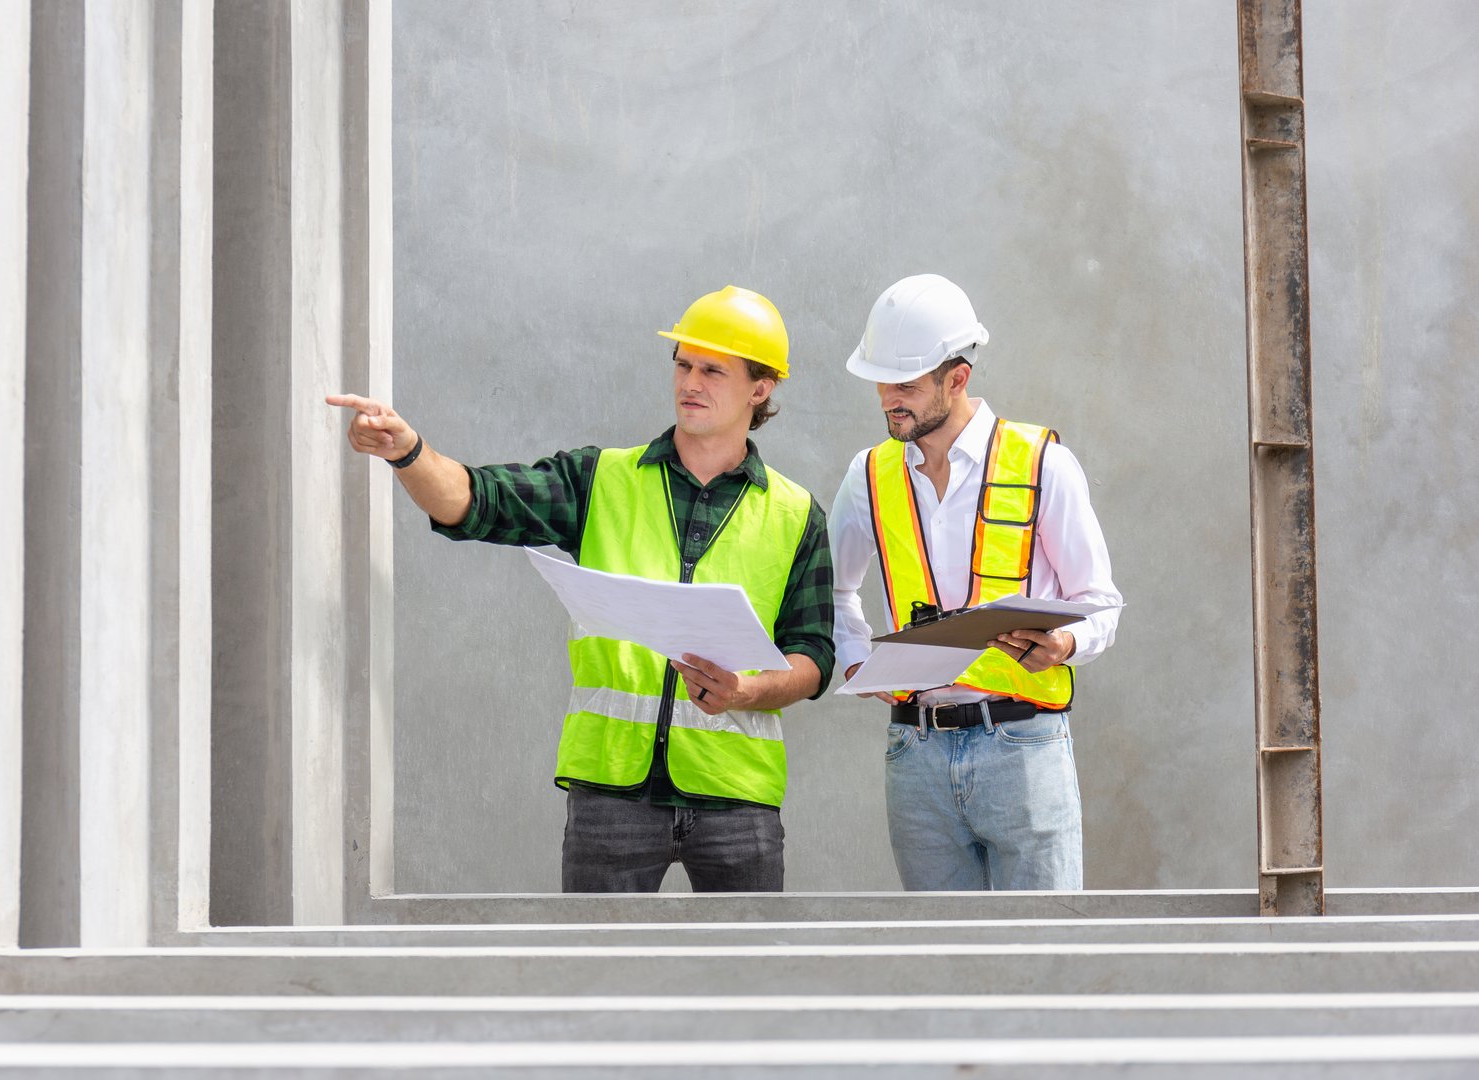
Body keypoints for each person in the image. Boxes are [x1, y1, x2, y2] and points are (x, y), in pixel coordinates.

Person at [328, 286, 834, 893]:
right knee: (596, 979)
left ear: (761, 387)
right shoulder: (600, 480)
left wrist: (747, 691)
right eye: (682, 364)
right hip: (609, 796)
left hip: (739, 800)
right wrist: (407, 453)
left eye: (711, 369)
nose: (689, 382)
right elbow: (475, 501)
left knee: (745, 984)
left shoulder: (796, 513)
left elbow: (813, 657)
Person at [827, 274, 1121, 891]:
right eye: (881, 381)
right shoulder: (870, 474)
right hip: (916, 754)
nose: (888, 399)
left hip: (1023, 746)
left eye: (905, 384)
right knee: (942, 963)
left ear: (956, 378)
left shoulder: (1042, 462)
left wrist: (1065, 644)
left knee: (1044, 955)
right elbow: (833, 590)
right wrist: (856, 658)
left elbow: (1098, 603)